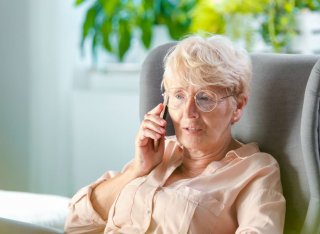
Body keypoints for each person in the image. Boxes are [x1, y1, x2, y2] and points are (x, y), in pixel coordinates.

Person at [64, 35, 286, 234]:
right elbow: (76, 224)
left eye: (205, 98)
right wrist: (137, 169)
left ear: (237, 106)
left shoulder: (255, 171)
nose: (189, 112)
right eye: (178, 96)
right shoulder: (158, 152)